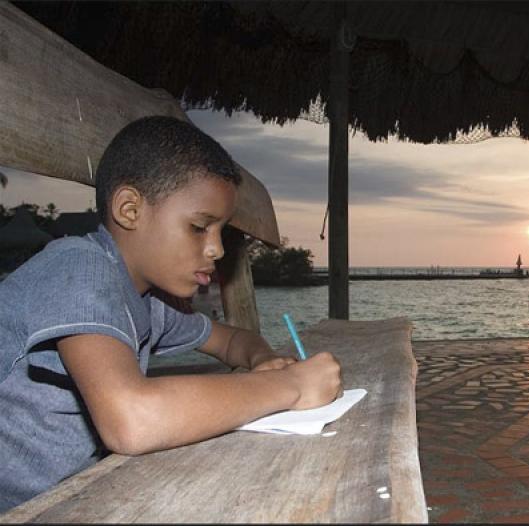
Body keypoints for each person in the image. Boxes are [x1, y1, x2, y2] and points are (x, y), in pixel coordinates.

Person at [0, 116, 342, 513]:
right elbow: (132, 419)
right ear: (130, 210)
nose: (216, 249)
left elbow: (233, 340)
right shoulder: (78, 270)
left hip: (64, 497)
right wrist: (290, 386)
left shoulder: (149, 303)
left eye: (220, 232)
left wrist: (263, 360)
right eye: (200, 227)